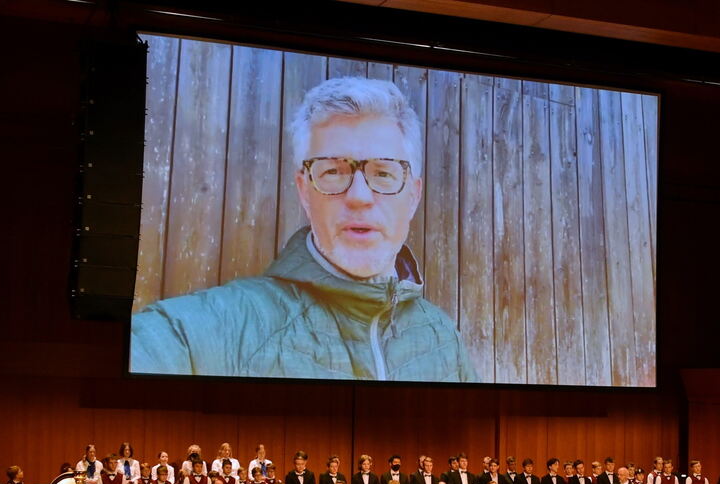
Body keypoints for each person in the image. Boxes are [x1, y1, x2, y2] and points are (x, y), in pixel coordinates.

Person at [130, 76, 477, 381]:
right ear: (304, 191)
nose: (358, 197)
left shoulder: (443, 337)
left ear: (413, 195)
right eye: (332, 172)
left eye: (384, 173)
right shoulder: (205, 330)